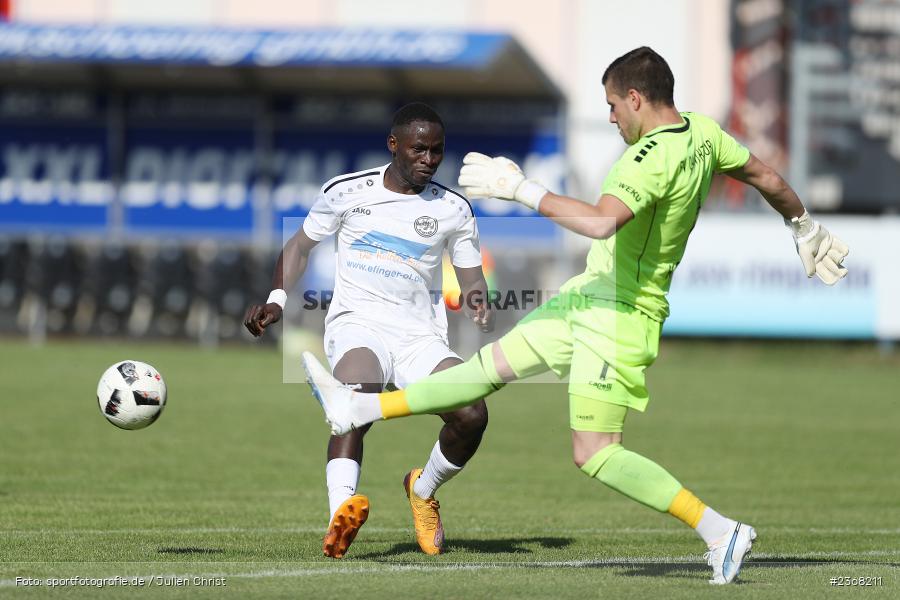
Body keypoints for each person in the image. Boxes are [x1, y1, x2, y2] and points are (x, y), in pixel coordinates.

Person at [302, 48, 850, 583]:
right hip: (585, 297)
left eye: (613, 105)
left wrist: (522, 189)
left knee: (595, 454)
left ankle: (718, 530)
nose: (611, 118)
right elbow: (766, 176)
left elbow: (599, 223)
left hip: (619, 317)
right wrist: (802, 225)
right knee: (476, 377)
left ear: (635, 98)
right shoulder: (704, 132)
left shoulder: (645, 157)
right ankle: (357, 408)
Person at [245, 102, 492, 559]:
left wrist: (477, 299)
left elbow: (470, 273)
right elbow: (300, 247)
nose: (429, 159)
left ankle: (424, 490)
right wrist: (277, 300)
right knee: (355, 395)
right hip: (358, 323)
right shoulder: (346, 191)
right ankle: (342, 512)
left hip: (421, 337)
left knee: (472, 414)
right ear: (393, 145)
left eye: (437, 151)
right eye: (419, 149)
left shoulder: (454, 209)